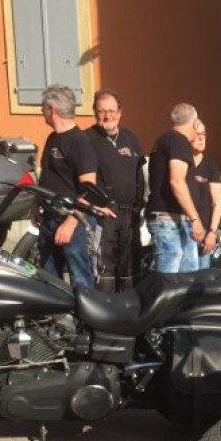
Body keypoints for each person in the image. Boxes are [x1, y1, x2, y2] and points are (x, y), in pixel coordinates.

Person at [36, 85, 111, 291]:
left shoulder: (80, 142)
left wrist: (70, 222)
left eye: (42, 108)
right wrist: (35, 206)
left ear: (52, 109)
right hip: (49, 219)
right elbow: (47, 176)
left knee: (80, 279)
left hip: (74, 221)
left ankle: (85, 321)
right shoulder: (52, 138)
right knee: (48, 278)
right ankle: (56, 321)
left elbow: (89, 189)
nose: (41, 112)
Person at [85, 88, 145, 292]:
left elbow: (139, 173)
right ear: (95, 112)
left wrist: (139, 206)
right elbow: (81, 180)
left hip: (130, 214)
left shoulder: (130, 137)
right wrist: (95, 206)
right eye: (102, 111)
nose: (107, 116)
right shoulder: (86, 139)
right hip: (104, 215)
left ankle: (129, 312)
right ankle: (105, 314)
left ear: (120, 113)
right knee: (104, 267)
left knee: (130, 265)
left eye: (111, 111)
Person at [145, 103, 204, 273]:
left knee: (183, 281)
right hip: (167, 221)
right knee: (168, 284)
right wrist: (195, 219)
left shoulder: (165, 139)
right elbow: (177, 182)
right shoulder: (178, 141)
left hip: (171, 220)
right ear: (195, 122)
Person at [187, 119, 221, 269]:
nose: (202, 138)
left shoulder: (210, 166)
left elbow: (217, 203)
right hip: (183, 231)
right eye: (197, 134)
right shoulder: (181, 164)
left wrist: (212, 233)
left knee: (202, 280)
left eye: (204, 134)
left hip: (204, 233)